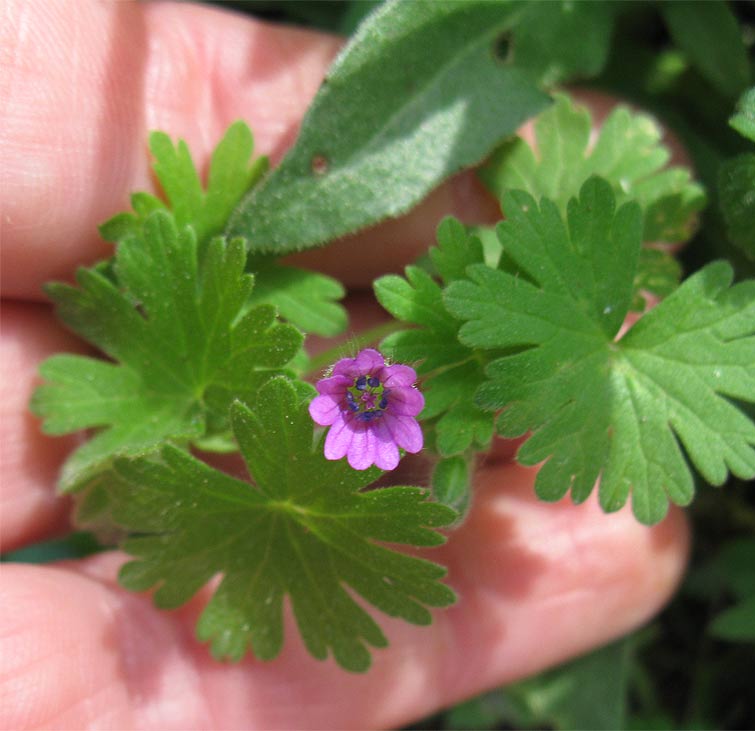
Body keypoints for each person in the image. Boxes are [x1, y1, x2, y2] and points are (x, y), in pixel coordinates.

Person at [0, 2, 689, 728]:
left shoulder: (392, 402)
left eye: (373, 388)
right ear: (347, 386)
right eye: (359, 387)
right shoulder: (343, 389)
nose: (364, 388)